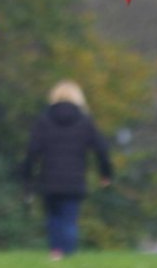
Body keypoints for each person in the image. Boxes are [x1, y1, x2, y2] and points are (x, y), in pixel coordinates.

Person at [20, 80, 113, 260]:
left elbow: (32, 152)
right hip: (75, 180)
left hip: (49, 180)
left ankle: (56, 253)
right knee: (69, 219)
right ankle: (68, 256)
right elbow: (101, 149)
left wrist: (27, 177)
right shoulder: (86, 121)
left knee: (53, 219)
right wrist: (105, 174)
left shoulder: (43, 121)